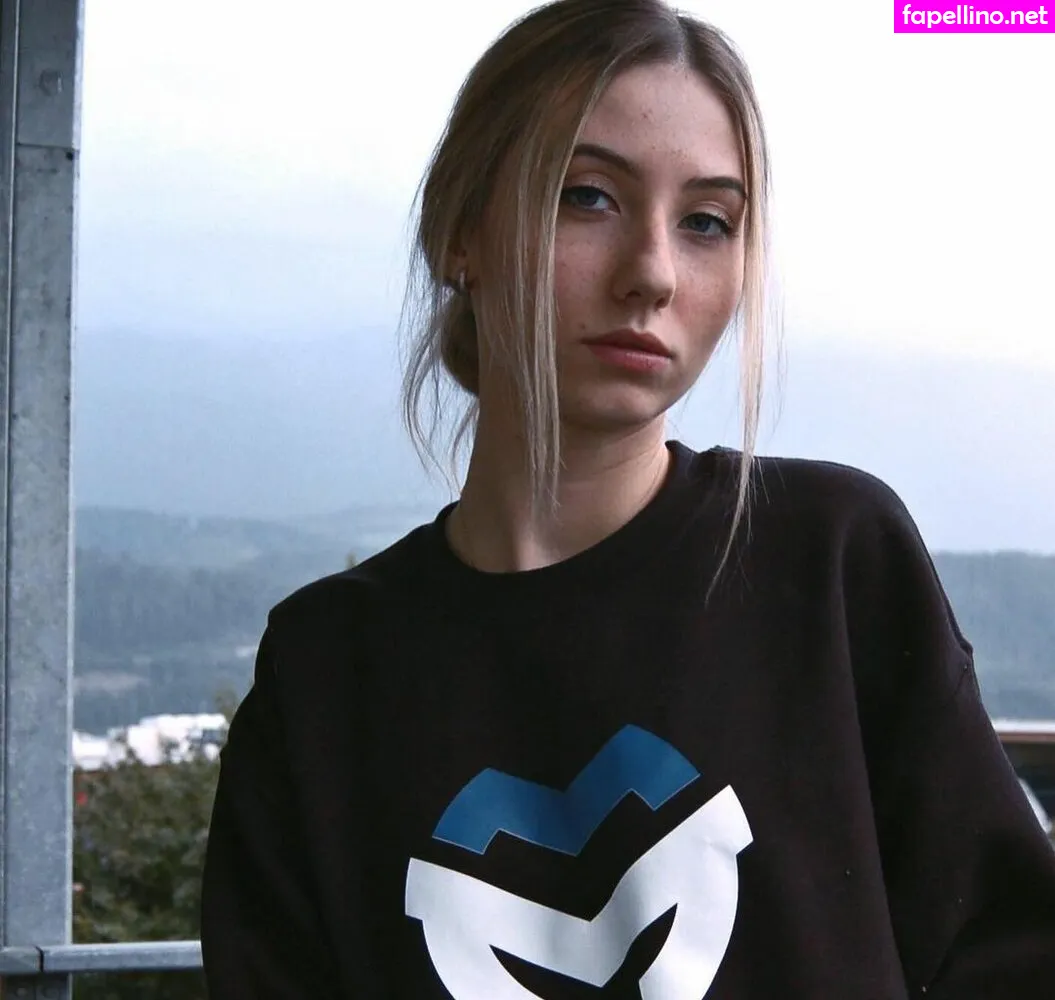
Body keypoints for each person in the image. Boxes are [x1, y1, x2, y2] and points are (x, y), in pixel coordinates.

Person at [200, 0, 1055, 996]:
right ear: (459, 232)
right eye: (588, 197)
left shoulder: (827, 563)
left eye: (706, 223)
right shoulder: (324, 673)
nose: (651, 273)